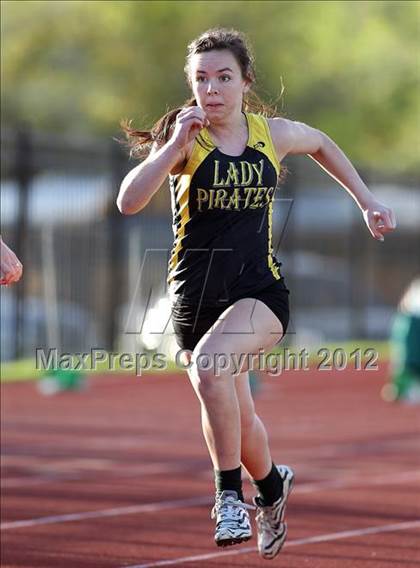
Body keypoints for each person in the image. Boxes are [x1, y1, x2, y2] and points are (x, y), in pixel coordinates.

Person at [117, 28, 396, 558]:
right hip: (193, 301)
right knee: (239, 418)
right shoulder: (184, 140)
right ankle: (271, 487)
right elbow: (128, 202)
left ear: (245, 82)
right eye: (201, 79)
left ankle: (227, 496)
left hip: (259, 291)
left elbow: (320, 142)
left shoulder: (271, 133)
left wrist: (365, 200)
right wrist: (173, 146)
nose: (212, 89)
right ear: (191, 85)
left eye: (224, 77)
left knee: (209, 369)